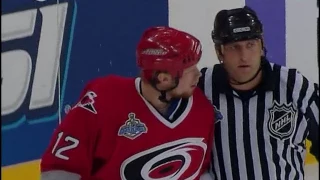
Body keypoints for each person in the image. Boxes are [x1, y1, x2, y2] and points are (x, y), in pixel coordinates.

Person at [40, 26, 215, 180]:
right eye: (189, 70)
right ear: (163, 79)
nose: (198, 75)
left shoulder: (201, 109)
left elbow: (200, 171)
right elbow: (60, 168)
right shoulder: (104, 99)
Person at [198, 6, 319, 180]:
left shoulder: (294, 85)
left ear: (262, 45)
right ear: (219, 52)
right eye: (234, 47)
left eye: (251, 45)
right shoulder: (202, 86)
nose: (244, 56)